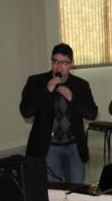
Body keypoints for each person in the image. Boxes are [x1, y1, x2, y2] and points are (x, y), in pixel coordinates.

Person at [19, 43, 98, 183]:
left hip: (74, 147)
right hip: (49, 147)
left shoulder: (81, 85)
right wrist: (47, 90)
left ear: (72, 64)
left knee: (76, 190)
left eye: (64, 62)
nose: (59, 66)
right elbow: (26, 111)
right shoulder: (36, 81)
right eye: (55, 61)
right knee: (54, 193)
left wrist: (72, 98)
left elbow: (92, 113)